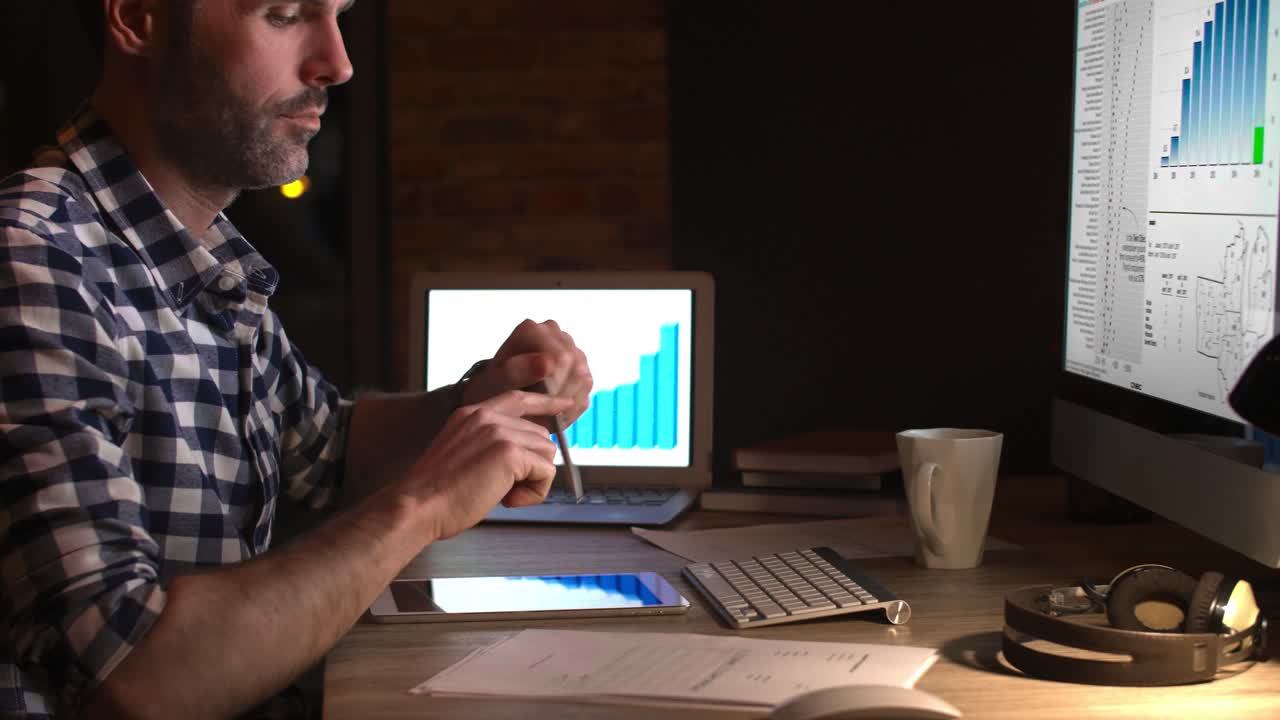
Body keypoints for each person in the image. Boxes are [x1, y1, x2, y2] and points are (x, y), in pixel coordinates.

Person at [0, 1, 593, 717]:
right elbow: (132, 678)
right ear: (137, 20)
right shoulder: (36, 262)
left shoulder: (199, 254)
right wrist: (428, 503)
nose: (336, 65)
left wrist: (481, 398)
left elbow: (327, 448)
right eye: (285, 14)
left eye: (339, 15)